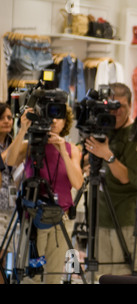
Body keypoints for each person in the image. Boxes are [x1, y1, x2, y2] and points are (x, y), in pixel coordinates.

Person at [6, 104, 83, 284]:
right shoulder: (31, 145)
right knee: (32, 276)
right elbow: (10, 160)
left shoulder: (72, 149)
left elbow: (78, 183)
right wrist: (23, 128)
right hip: (34, 218)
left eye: (59, 116)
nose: (54, 121)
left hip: (61, 218)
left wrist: (63, 150)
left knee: (54, 276)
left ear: (66, 121)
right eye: (50, 116)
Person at [84, 82, 137, 278]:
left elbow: (127, 178)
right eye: (111, 106)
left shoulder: (135, 135)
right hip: (99, 216)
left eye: (120, 106)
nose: (115, 112)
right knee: (101, 276)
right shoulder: (103, 129)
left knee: (122, 276)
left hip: (124, 216)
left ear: (130, 106)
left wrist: (107, 155)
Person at [0, 103, 14, 283]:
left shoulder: (12, 142)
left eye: (9, 117)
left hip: (11, 206)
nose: (6, 121)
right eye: (2, 117)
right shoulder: (15, 142)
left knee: (5, 257)